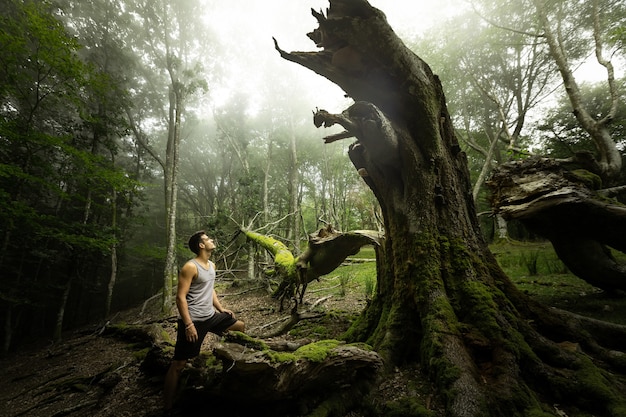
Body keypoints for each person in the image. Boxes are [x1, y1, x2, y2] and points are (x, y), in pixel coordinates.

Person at [163, 230, 245, 412]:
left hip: (211, 316)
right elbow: (180, 298)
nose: (212, 240)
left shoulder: (212, 265)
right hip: (195, 320)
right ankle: (166, 407)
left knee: (240, 327)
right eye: (208, 239)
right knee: (179, 365)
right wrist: (189, 325)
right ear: (201, 245)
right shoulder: (190, 267)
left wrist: (221, 308)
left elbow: (210, 289)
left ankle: (232, 369)